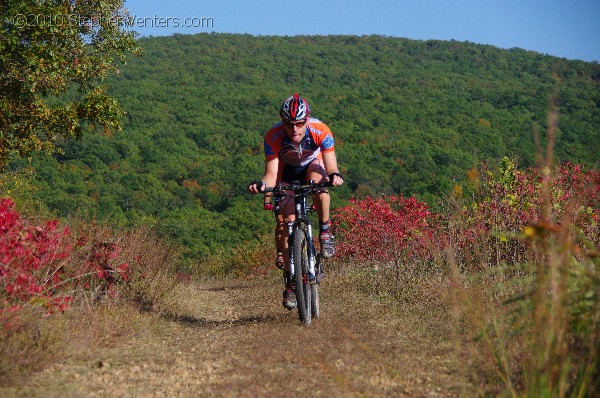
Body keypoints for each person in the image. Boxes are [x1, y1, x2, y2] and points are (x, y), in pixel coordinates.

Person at [247, 94, 344, 309]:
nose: (295, 130)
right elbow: (271, 174)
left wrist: (334, 176)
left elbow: (331, 166)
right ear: (284, 123)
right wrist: (262, 185)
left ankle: (325, 231)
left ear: (307, 121)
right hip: (287, 171)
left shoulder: (321, 131)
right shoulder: (273, 136)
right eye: (290, 125)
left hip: (312, 165)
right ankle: (292, 281)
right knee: (284, 223)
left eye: (299, 124)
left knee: (319, 186)